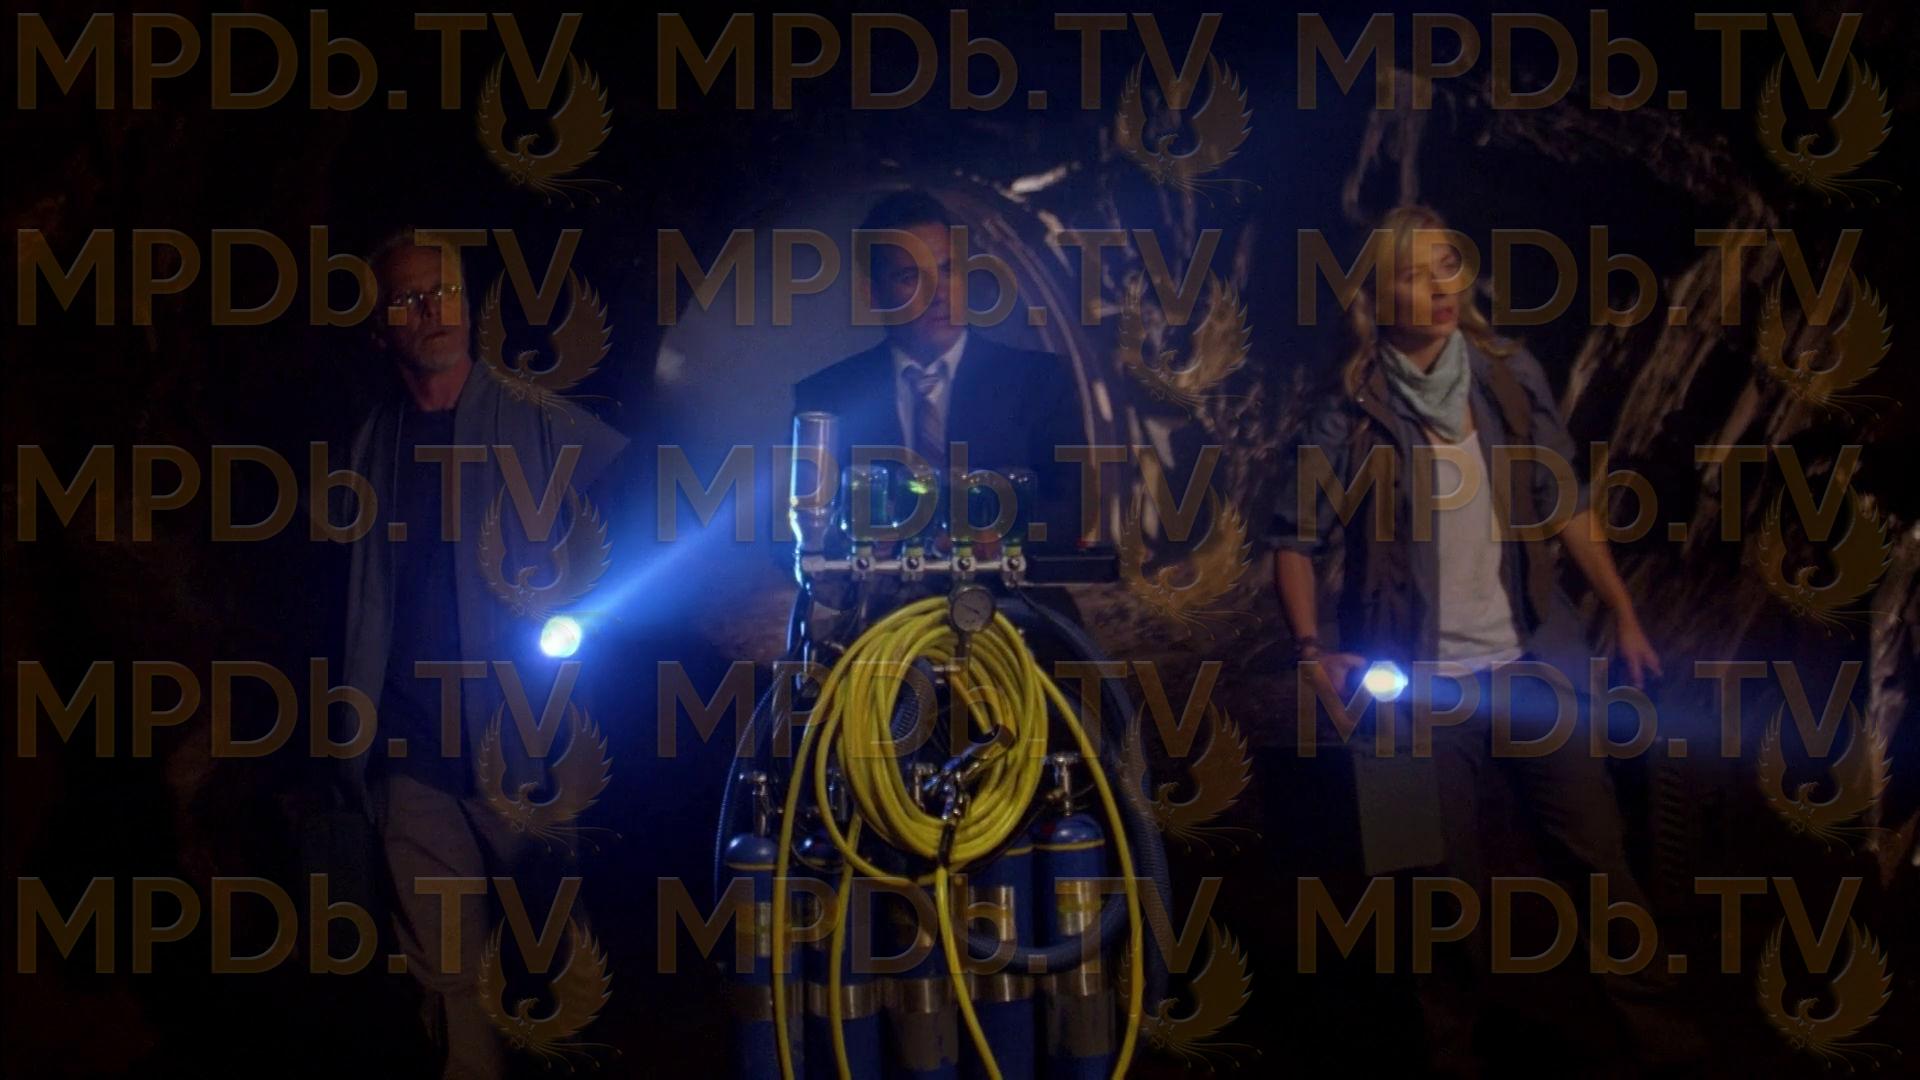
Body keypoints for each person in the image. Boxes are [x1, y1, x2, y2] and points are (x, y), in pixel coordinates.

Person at [1269, 206, 1699, 1073]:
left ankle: (1671, 1055)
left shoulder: (1506, 373)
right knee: (1432, 908)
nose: (1440, 288)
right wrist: (1311, 653)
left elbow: (1565, 500)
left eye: (1448, 267)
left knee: (1605, 877)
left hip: (1531, 669)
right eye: (1416, 274)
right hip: (1406, 696)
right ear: (1378, 293)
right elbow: (1293, 539)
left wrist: (1622, 611)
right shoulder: (1347, 409)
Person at [335, 229, 627, 1078]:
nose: (433, 310)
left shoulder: (542, 421)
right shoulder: (371, 444)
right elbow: (363, 599)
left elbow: (633, 530)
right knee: (445, 984)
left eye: (447, 291)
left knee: (557, 971)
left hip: (526, 752)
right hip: (412, 756)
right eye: (408, 298)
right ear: (379, 329)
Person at [792, 189, 1086, 552]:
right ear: (872, 294)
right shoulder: (827, 397)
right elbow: (791, 533)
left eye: (947, 270)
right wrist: (849, 540)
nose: (938, 294)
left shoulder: (1040, 381)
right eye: (910, 277)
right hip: (878, 589)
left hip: (1004, 588)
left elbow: (1070, 512)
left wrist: (997, 541)